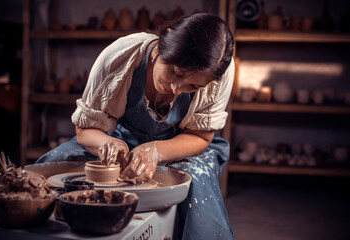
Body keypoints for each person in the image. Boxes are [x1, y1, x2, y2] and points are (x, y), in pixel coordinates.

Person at [37, 13, 236, 240]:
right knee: (55, 165)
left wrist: (156, 151)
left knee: (194, 178)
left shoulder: (217, 72)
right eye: (175, 72)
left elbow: (201, 136)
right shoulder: (121, 56)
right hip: (122, 135)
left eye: (191, 85)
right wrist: (110, 143)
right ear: (165, 42)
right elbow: (85, 131)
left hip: (183, 143)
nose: (175, 87)